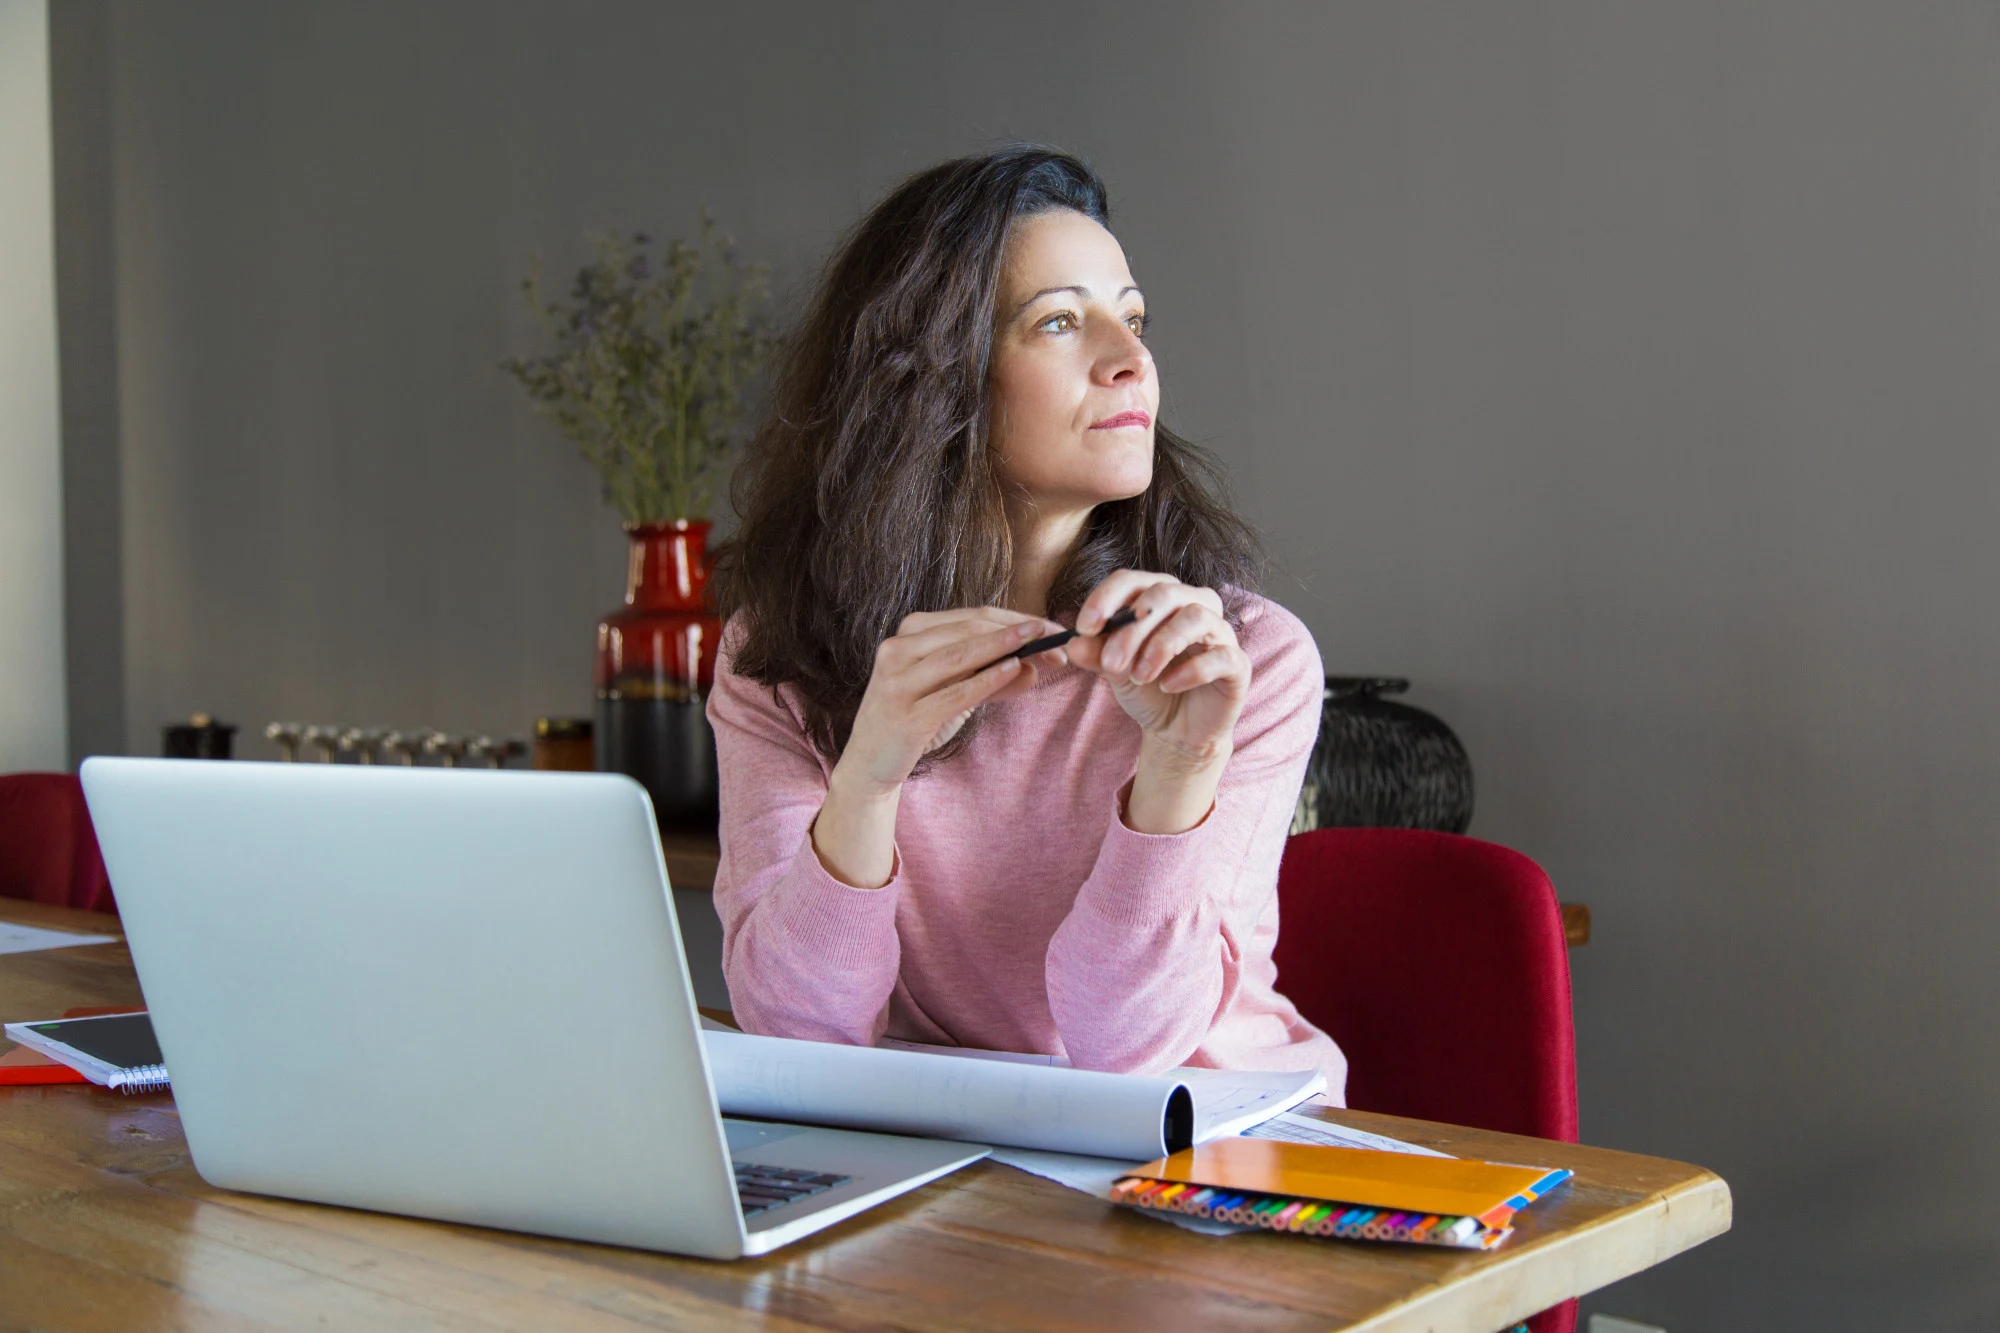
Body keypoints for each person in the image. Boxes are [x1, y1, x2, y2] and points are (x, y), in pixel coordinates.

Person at [707, 146, 1344, 1096]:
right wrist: (871, 770)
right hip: (954, 1161)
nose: (1132, 359)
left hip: (1217, 1149)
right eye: (1059, 322)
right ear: (935, 380)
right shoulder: (776, 656)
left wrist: (1177, 767)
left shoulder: (1243, 661)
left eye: (1132, 319)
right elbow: (801, 1032)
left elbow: (1125, 1047)